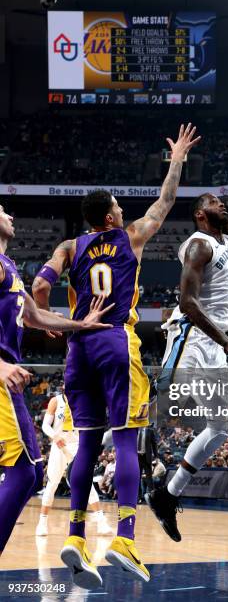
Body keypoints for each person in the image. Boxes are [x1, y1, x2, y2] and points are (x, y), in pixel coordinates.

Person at [31, 123, 200, 589]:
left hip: (77, 345)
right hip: (115, 341)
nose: (124, 211)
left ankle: (76, 536)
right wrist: (178, 159)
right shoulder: (130, 237)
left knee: (87, 444)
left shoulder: (68, 246)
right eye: (118, 208)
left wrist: (53, 324)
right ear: (109, 218)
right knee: (125, 440)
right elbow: (164, 205)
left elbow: (40, 286)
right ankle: (124, 537)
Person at [145, 111, 228, 542]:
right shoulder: (200, 246)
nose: (222, 203)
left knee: (221, 429)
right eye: (213, 202)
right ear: (201, 216)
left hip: (216, 341)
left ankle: (167, 493)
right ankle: (141, 448)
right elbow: (187, 303)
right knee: (161, 402)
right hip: (192, 334)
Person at [0, 204, 111, 557]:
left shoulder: (10, 268)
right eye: (3, 211)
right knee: (26, 474)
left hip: (8, 378)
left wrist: (80, 323)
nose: (11, 216)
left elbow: (33, 315)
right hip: (3, 378)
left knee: (26, 474)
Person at [36, 391, 112, 536]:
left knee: (86, 482)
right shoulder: (56, 401)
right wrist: (54, 435)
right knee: (52, 484)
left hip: (77, 445)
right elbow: (45, 425)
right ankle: (42, 522)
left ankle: (101, 522)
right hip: (58, 446)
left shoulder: (82, 400)